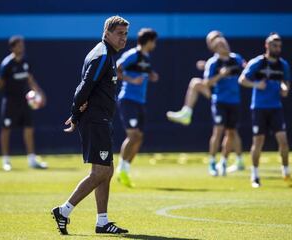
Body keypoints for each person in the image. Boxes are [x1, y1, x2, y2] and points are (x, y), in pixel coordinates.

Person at [51, 16, 129, 235]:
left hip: (101, 119)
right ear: (107, 33)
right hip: (96, 121)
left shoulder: (107, 54)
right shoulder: (103, 56)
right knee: (101, 171)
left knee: (106, 170)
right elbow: (83, 87)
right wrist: (75, 115)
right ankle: (64, 211)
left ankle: (102, 222)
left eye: (125, 34)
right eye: (119, 34)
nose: (124, 38)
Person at [166, 31, 245, 175]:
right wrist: (221, 75)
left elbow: (245, 71)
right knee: (218, 130)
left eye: (223, 42)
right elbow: (207, 83)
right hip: (219, 100)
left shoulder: (237, 59)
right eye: (219, 44)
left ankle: (225, 162)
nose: (223, 45)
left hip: (234, 101)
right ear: (214, 48)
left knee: (232, 133)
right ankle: (212, 162)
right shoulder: (214, 62)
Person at [239, 33, 290, 188]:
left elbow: (285, 84)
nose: (277, 48)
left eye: (279, 45)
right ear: (266, 46)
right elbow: (242, 80)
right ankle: (255, 175)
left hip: (276, 108)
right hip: (259, 108)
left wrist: (284, 88)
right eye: (274, 45)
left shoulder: (283, 65)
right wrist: (256, 85)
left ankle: (286, 173)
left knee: (283, 141)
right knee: (258, 141)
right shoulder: (258, 63)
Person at [0, 36, 47, 171]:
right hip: (10, 102)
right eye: (19, 45)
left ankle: (31, 159)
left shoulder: (25, 61)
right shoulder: (7, 64)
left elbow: (30, 80)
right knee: (6, 129)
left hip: (25, 102)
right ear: (12, 47)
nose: (22, 47)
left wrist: (39, 93)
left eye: (22, 45)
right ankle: (6, 160)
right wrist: (10, 91)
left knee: (29, 128)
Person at [115, 28, 159, 187]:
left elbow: (144, 72)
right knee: (133, 135)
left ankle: (125, 169)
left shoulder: (146, 58)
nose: (155, 44)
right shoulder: (133, 54)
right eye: (154, 41)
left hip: (140, 102)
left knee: (139, 138)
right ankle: (121, 168)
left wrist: (152, 75)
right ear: (148, 41)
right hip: (128, 100)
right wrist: (131, 80)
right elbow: (116, 68)